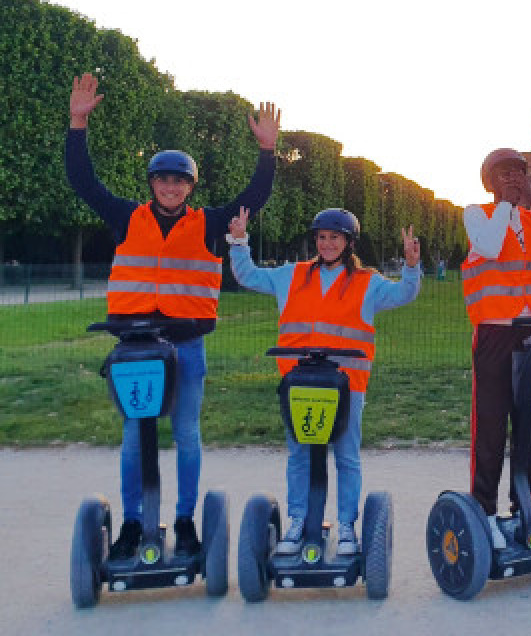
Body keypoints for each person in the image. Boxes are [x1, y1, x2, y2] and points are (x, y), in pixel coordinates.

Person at [65, 72, 279, 560]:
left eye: (179, 180)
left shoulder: (208, 224)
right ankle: (133, 523)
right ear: (152, 184)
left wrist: (267, 153)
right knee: (133, 439)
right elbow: (83, 182)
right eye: (162, 179)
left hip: (185, 344)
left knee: (186, 434)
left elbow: (253, 200)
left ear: (189, 186)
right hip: (136, 345)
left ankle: (184, 521)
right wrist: (78, 125)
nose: (170, 186)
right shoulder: (128, 217)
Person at [228, 207, 421, 555]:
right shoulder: (292, 275)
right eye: (322, 237)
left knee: (346, 455)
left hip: (347, 384)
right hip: (299, 382)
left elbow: (404, 294)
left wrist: (411, 265)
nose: (327, 244)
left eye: (335, 238)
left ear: (349, 243)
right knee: (299, 454)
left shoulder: (367, 282)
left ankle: (346, 525)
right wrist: (239, 242)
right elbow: (248, 276)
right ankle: (298, 520)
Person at [461, 148, 531, 549]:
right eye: (503, 173)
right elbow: (491, 247)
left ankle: (525, 508)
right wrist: (506, 206)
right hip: (495, 333)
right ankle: (485, 511)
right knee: (490, 428)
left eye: (517, 172)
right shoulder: (477, 214)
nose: (512, 178)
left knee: (529, 429)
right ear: (489, 182)